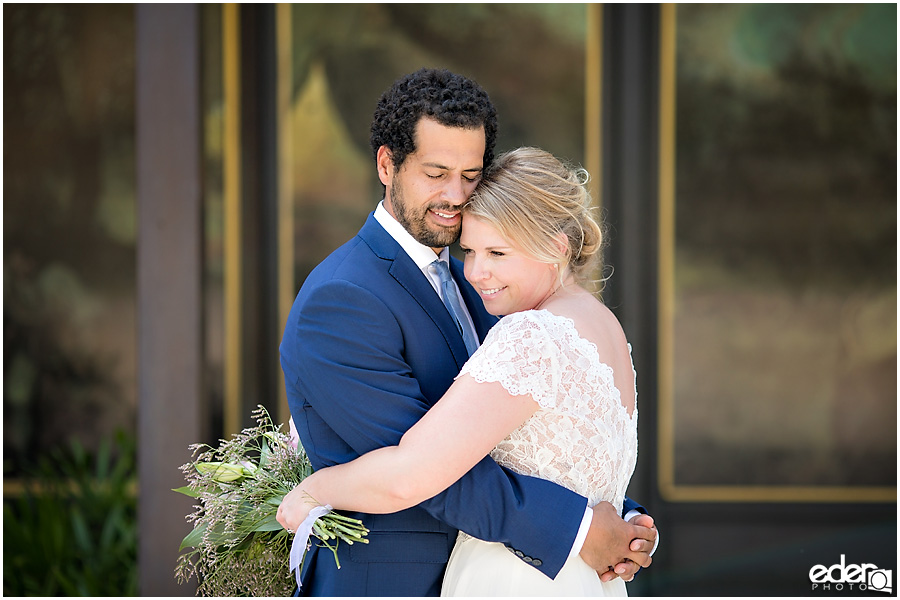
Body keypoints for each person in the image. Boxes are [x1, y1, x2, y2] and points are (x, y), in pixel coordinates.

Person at [278, 69, 657, 596]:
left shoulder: (482, 285)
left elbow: (524, 434)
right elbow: (426, 474)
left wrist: (615, 512)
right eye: (436, 172)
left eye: (471, 174)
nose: (455, 195)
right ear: (388, 164)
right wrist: (582, 528)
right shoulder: (343, 299)